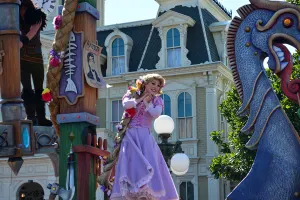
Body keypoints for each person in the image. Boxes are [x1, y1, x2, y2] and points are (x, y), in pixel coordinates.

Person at [98, 73, 179, 200]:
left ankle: (145, 191)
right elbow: (126, 105)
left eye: (158, 85)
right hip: (130, 136)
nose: (156, 87)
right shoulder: (131, 94)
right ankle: (134, 190)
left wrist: (147, 104)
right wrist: (141, 100)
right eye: (153, 83)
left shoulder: (156, 100)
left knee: (148, 164)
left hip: (144, 137)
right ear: (144, 84)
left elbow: (156, 114)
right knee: (131, 164)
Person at [19, 0, 52, 126]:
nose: (22, 11)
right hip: (22, 58)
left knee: (39, 89)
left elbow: (33, 31)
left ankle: (41, 117)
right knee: (26, 89)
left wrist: (22, 41)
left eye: (23, 8)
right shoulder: (16, 19)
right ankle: (31, 116)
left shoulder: (36, 16)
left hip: (35, 56)